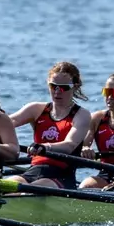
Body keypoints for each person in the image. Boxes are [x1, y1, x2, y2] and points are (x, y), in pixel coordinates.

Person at [8, 61, 91, 190]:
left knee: (29, 191)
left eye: (63, 87)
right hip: (33, 171)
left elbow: (69, 145)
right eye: (53, 86)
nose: (57, 91)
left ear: (75, 86)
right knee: (6, 185)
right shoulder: (35, 109)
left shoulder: (82, 115)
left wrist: (44, 147)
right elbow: (6, 124)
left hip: (61, 177)